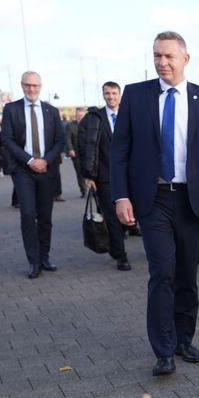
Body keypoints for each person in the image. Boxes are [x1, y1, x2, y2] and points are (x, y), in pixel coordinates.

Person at [111, 31, 199, 376]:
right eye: (156, 56)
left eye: (169, 56)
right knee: (162, 273)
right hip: (152, 200)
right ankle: (164, 349)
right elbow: (120, 150)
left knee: (187, 274)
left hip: (192, 200)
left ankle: (184, 339)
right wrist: (121, 195)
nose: (162, 62)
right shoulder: (136, 95)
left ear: (186, 59)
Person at [0, 71, 66, 278]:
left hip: (47, 170)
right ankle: (34, 261)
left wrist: (45, 161)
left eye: (35, 86)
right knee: (28, 214)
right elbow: (8, 140)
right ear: (22, 85)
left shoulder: (51, 111)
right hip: (23, 170)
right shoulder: (11, 109)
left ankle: (45, 257)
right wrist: (30, 160)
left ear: (41, 86)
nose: (31, 89)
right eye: (27, 85)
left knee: (45, 217)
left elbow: (59, 140)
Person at [79, 81, 130, 271]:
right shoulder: (94, 118)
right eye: (107, 94)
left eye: (114, 93)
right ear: (103, 95)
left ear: (120, 95)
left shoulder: (129, 115)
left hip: (129, 175)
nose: (111, 97)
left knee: (130, 215)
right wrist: (89, 175)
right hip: (105, 175)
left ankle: (118, 243)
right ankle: (121, 255)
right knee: (112, 216)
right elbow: (85, 147)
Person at [66, 107, 88, 197]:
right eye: (78, 115)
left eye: (82, 115)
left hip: (89, 153)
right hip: (76, 153)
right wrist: (70, 149)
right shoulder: (70, 125)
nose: (80, 117)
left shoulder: (90, 125)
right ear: (76, 115)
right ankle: (83, 190)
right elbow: (68, 138)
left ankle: (96, 190)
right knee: (80, 172)